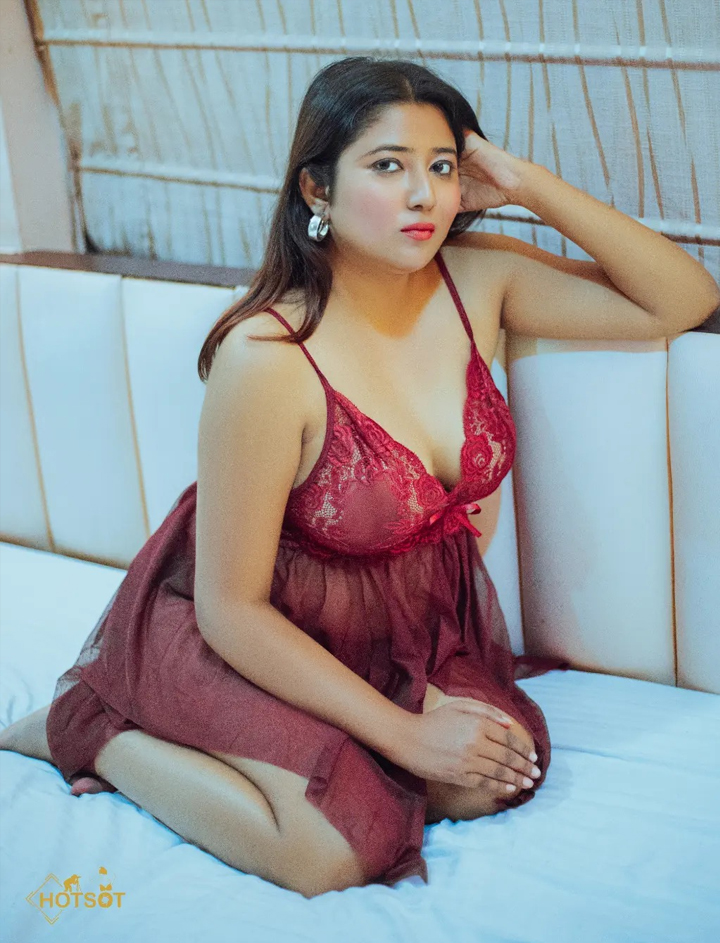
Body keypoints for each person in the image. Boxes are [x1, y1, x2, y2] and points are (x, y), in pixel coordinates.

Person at [2, 56, 717, 899]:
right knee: (332, 852)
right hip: (254, 637)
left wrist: (524, 182)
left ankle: (346, 741)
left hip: (406, 630)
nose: (423, 195)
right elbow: (230, 609)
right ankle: (90, 727)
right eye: (387, 166)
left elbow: (681, 299)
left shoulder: (478, 280)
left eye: (442, 167)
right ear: (317, 189)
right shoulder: (267, 357)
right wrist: (406, 737)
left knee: (496, 772)